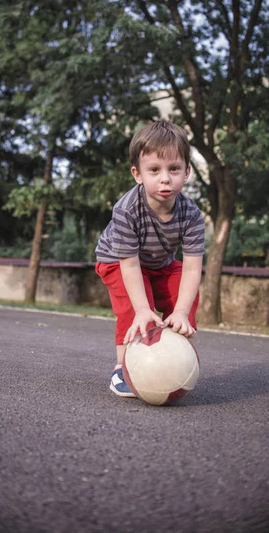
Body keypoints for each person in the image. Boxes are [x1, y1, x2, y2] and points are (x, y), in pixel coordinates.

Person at [95, 120, 205, 397]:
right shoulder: (126, 210)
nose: (165, 178)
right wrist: (144, 310)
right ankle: (123, 369)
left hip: (160, 263)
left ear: (187, 172)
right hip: (117, 261)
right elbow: (129, 265)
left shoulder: (191, 215)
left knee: (185, 293)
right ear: (138, 174)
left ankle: (172, 355)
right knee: (135, 307)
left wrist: (180, 312)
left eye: (174, 169)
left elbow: (192, 269)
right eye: (154, 170)